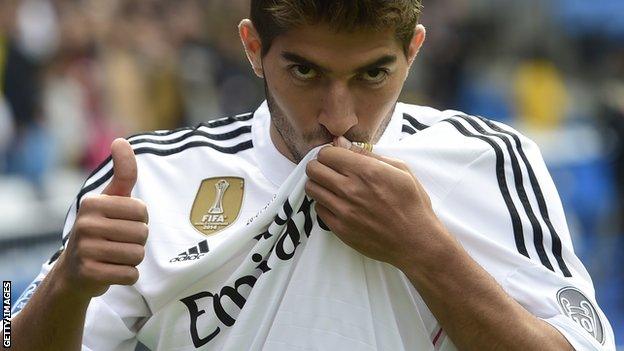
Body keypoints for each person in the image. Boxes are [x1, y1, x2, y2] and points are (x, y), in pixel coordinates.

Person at [11, 1, 616, 350]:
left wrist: (426, 250)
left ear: (414, 50)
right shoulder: (149, 177)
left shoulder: (494, 159)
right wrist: (66, 283)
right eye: (304, 72)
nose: (339, 118)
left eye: (373, 75)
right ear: (252, 48)